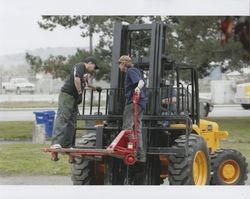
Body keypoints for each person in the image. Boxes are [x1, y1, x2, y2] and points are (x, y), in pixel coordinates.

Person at [51, 56, 102, 149]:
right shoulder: (80, 66)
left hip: (74, 97)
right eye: (94, 67)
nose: (94, 70)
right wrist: (80, 93)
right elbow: (76, 79)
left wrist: (96, 88)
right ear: (90, 63)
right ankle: (56, 142)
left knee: (72, 121)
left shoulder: (85, 73)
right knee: (63, 117)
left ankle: (68, 144)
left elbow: (86, 84)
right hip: (67, 95)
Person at [118, 55, 147, 162]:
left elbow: (141, 82)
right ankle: (139, 153)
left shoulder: (131, 71)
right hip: (141, 103)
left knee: (127, 126)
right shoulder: (136, 71)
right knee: (137, 128)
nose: (119, 66)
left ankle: (129, 149)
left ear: (124, 63)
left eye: (119, 64)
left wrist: (138, 88)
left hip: (134, 102)